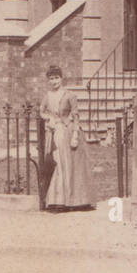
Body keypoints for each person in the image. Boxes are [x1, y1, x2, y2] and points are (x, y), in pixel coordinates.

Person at [40, 65, 93, 211]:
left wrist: (75, 134)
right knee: (59, 164)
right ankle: (59, 200)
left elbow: (75, 115)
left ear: (61, 79)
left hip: (69, 132)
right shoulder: (47, 96)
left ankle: (76, 201)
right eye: (51, 79)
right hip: (55, 132)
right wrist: (49, 118)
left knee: (71, 166)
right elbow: (41, 111)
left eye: (56, 78)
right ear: (48, 81)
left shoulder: (69, 95)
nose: (54, 81)